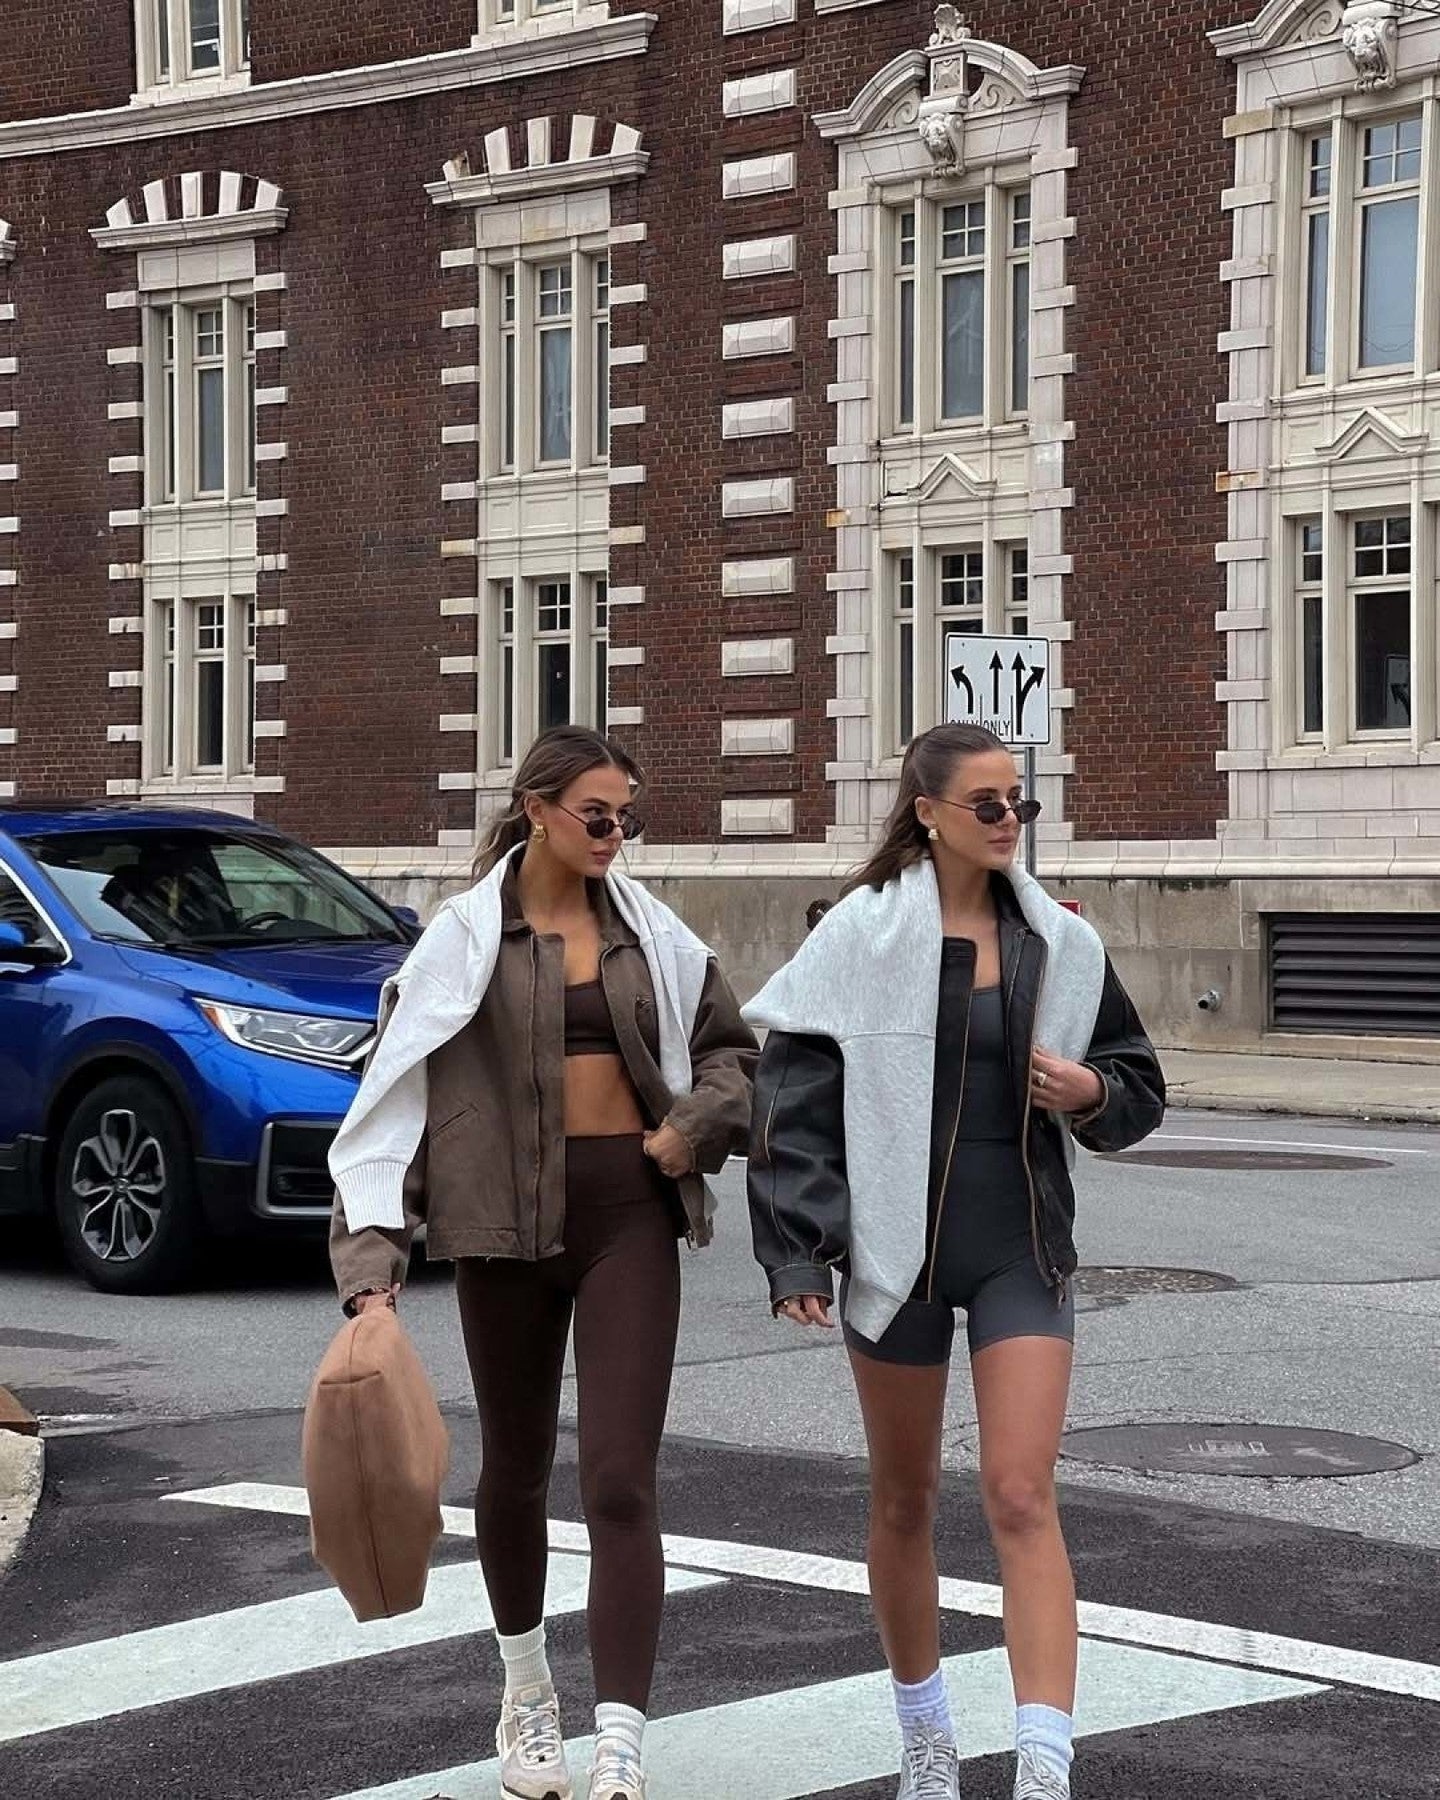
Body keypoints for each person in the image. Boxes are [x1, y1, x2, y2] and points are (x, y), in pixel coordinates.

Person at [328, 726, 758, 1800]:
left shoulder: (652, 934)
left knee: (619, 1478)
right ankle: (526, 1697)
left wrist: (692, 1128)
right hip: (497, 1229)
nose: (616, 834)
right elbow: (393, 1104)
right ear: (537, 810)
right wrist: (373, 1270)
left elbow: (733, 1053)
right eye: (597, 815)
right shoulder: (462, 940)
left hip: (628, 1218)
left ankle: (622, 1739)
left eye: (629, 816)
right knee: (513, 1471)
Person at [744, 724, 1165, 1800]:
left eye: (1020, 801)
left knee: (1021, 1493)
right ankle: (926, 1740)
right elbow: (790, 1105)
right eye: (987, 803)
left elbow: (1136, 1082)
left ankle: (1043, 1769)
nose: (1009, 819)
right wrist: (799, 1253)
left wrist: (1092, 1091)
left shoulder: (1061, 942)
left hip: (1020, 1246)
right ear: (928, 813)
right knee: (905, 1499)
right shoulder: (858, 936)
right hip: (899, 1263)